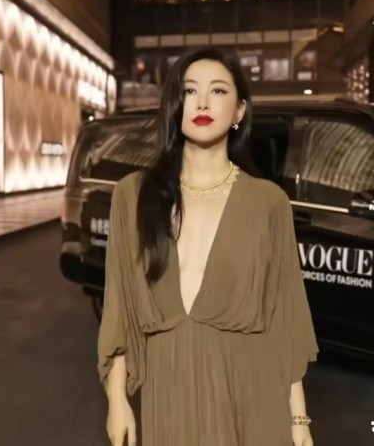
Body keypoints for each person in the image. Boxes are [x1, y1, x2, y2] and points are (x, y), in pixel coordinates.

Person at [97, 47, 319, 446]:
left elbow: (284, 321)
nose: (201, 102)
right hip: (170, 399)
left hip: (253, 401)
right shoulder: (133, 196)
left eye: (217, 91)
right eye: (189, 91)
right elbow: (119, 310)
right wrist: (117, 400)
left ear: (239, 111)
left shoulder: (269, 203)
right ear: (175, 106)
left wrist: (299, 420)